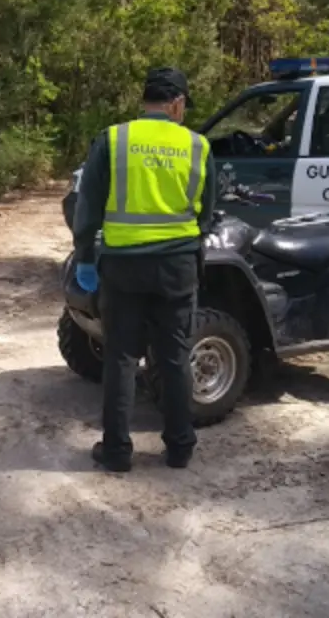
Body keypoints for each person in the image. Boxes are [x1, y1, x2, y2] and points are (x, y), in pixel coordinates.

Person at [70, 67, 217, 472]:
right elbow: (207, 213)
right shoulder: (198, 146)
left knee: (120, 359)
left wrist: (85, 258)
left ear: (146, 101)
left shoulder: (114, 140)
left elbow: (87, 210)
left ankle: (117, 452)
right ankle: (180, 447)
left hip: (123, 269)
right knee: (173, 358)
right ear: (177, 104)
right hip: (177, 268)